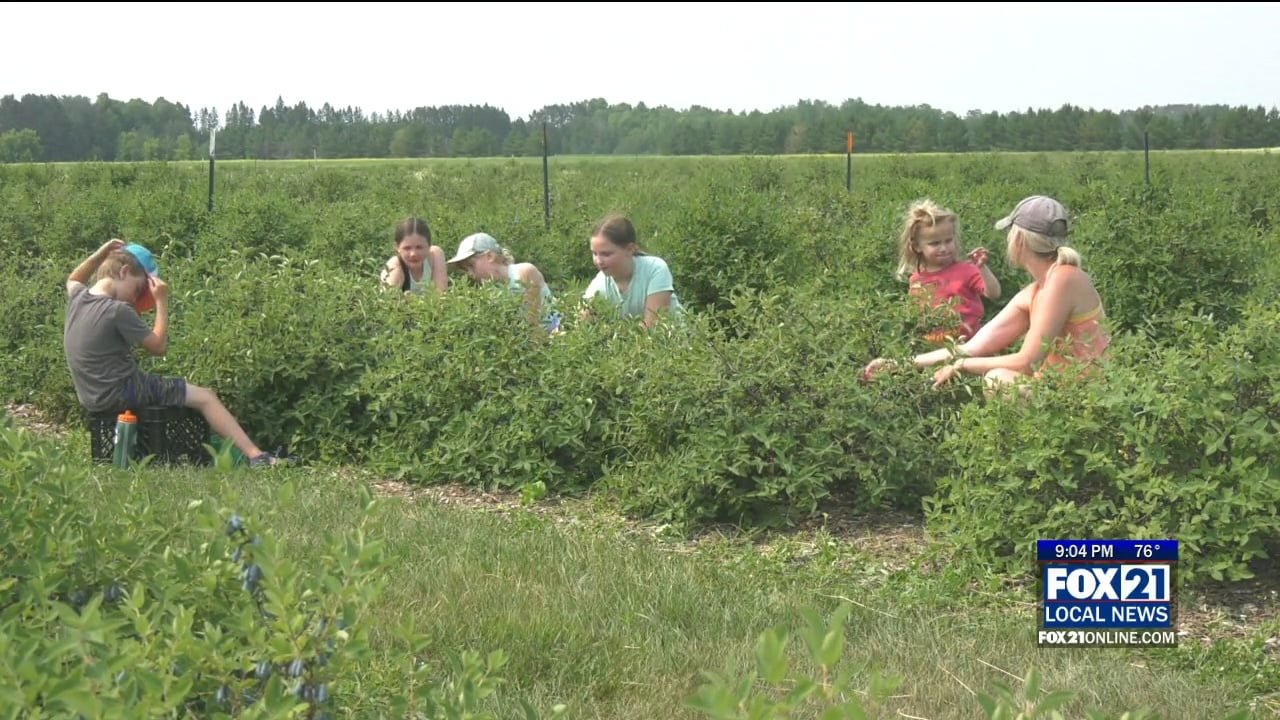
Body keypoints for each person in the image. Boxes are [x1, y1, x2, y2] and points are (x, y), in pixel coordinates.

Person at [63, 239, 293, 467]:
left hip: (91, 396)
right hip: (123, 390)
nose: (134, 299)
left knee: (175, 390)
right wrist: (161, 301)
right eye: (138, 290)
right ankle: (257, 457)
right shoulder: (117, 310)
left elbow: (73, 278)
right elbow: (158, 347)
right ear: (123, 272)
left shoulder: (79, 297)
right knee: (205, 397)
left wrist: (101, 253)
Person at [865, 195, 1109, 393]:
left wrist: (962, 366)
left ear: (1018, 240)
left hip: (1084, 394)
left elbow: (1027, 362)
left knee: (997, 380)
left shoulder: (1063, 279)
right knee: (997, 378)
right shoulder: (1036, 290)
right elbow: (971, 347)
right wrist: (898, 365)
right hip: (1060, 389)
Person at [895, 199, 1000, 344]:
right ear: (917, 246)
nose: (943, 248)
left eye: (948, 241)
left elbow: (994, 294)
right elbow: (916, 319)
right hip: (933, 349)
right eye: (935, 243)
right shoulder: (916, 280)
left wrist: (982, 268)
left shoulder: (966, 270)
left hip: (970, 345)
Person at [446, 232, 563, 333]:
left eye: (471, 265)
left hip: (559, 331)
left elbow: (532, 323)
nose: (470, 273)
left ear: (490, 256)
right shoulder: (489, 293)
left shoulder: (524, 272)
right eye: (466, 269)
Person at [582, 214, 683, 328]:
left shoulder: (655, 269)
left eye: (606, 254)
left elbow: (653, 325)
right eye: (595, 253)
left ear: (629, 249)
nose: (598, 261)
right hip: (630, 339)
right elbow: (581, 324)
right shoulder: (600, 283)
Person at [379, 216, 447, 296]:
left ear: (429, 245)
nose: (413, 254)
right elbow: (389, 301)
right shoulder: (394, 267)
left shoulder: (435, 255)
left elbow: (441, 294)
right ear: (397, 247)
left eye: (419, 247)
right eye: (407, 248)